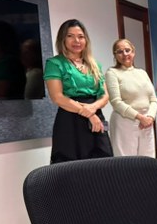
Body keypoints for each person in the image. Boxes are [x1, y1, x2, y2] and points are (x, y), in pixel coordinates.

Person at [43, 19, 113, 163]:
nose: (77, 40)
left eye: (80, 36)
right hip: (70, 118)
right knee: (71, 167)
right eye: (70, 36)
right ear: (63, 39)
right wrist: (88, 114)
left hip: (96, 116)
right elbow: (57, 97)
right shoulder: (55, 63)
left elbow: (105, 96)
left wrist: (93, 109)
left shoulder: (94, 64)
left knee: (103, 163)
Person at [105, 38, 157, 157]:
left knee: (147, 162)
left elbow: (153, 99)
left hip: (147, 123)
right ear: (115, 55)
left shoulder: (142, 73)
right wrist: (139, 117)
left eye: (127, 50)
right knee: (126, 165)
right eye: (119, 51)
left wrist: (150, 117)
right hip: (125, 122)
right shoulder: (112, 73)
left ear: (133, 52)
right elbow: (116, 102)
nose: (124, 54)